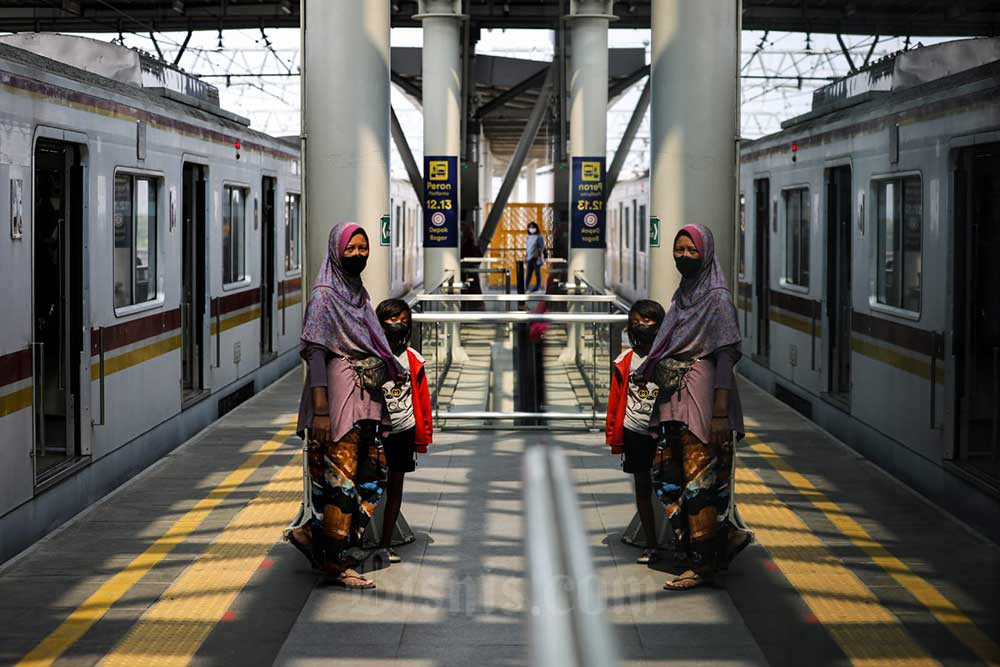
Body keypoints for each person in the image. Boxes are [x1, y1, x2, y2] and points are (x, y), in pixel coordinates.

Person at [285, 222, 404, 590]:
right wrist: (321, 412)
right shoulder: (324, 296)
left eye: (362, 248)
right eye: (350, 248)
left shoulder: (357, 292)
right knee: (341, 482)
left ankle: (311, 535)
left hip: (365, 400)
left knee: (371, 477)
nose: (357, 254)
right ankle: (336, 564)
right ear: (336, 251)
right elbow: (315, 354)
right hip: (337, 402)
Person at [636, 224, 753, 591]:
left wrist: (719, 414)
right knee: (669, 479)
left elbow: (725, 356)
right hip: (676, 404)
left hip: (704, 405)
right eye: (679, 249)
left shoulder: (716, 298)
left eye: (692, 250)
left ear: (706, 253)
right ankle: (724, 540)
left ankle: (703, 565)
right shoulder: (685, 293)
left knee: (699, 485)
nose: (684, 256)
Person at [605, 300, 666, 565]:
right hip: (634, 431)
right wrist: (613, 434)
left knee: (669, 487)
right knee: (642, 488)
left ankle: (681, 541)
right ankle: (651, 543)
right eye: (636, 321)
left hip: (663, 431)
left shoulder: (667, 358)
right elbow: (615, 401)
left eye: (648, 320)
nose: (641, 326)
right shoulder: (625, 361)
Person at [375, 298, 433, 563]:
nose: (398, 325)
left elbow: (422, 400)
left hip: (403, 431)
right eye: (391, 319)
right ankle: (358, 539)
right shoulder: (371, 356)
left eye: (403, 320)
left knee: (395, 487)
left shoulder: (413, 360)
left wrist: (424, 435)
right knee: (368, 486)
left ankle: (385, 543)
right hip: (375, 431)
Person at [524, 221, 546, 292]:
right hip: (529, 258)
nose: (531, 229)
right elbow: (527, 248)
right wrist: (526, 257)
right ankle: (526, 287)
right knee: (528, 273)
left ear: (536, 228)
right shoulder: (528, 237)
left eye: (533, 227)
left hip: (536, 258)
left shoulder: (539, 237)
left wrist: (538, 255)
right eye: (530, 227)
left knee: (537, 273)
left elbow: (541, 247)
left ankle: (538, 287)